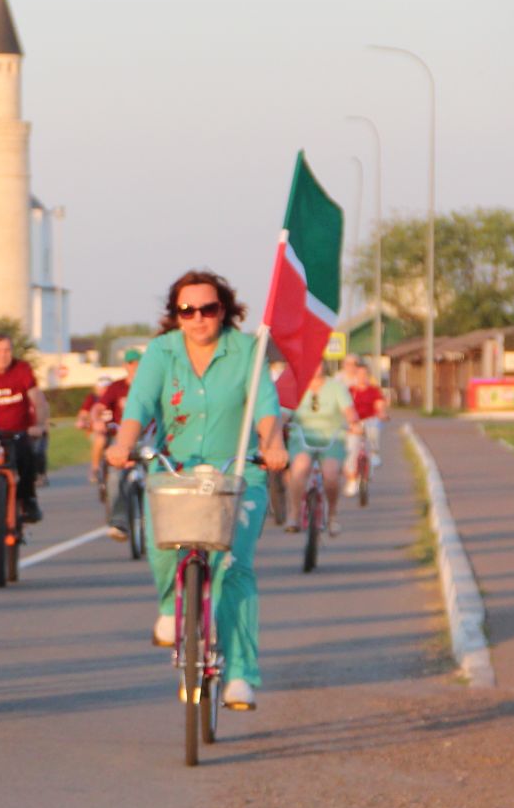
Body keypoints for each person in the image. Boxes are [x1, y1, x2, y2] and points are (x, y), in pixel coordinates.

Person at [106, 269, 287, 712]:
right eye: (188, 310)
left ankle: (241, 675)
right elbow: (140, 403)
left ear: (223, 310)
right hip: (177, 470)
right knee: (164, 542)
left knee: (233, 568)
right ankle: (171, 604)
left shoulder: (247, 350)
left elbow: (264, 404)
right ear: (176, 315)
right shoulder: (161, 353)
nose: (199, 318)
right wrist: (125, 443)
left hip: (238, 475)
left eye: (209, 309)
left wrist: (273, 442)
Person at [0, 332, 47, 526]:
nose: (3, 355)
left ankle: (28, 499)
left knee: (27, 458)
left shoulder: (22, 369)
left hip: (18, 433)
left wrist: (38, 425)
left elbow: (38, 399)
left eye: (7, 350)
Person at [284, 363, 361, 537]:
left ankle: (332, 516)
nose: (315, 367)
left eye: (319, 362)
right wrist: (280, 423)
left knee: (331, 474)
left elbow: (349, 411)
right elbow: (284, 411)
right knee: (300, 467)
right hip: (301, 437)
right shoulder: (296, 386)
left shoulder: (336, 387)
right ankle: (294, 514)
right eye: (312, 361)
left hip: (332, 437)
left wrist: (354, 423)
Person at [101, 348, 143, 539]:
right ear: (126, 366)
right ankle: (118, 521)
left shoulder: (150, 385)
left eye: (138, 363)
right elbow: (99, 407)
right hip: (120, 438)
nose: (135, 367)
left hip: (147, 438)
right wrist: (95, 420)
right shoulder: (116, 388)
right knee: (115, 476)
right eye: (131, 363)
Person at [345, 357, 389, 487]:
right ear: (355, 375)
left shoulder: (373, 391)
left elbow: (379, 405)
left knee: (374, 428)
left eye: (365, 374)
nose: (362, 377)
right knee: (351, 448)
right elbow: (344, 408)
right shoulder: (350, 391)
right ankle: (352, 478)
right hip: (354, 422)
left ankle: (374, 452)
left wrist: (381, 413)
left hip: (370, 420)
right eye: (359, 374)